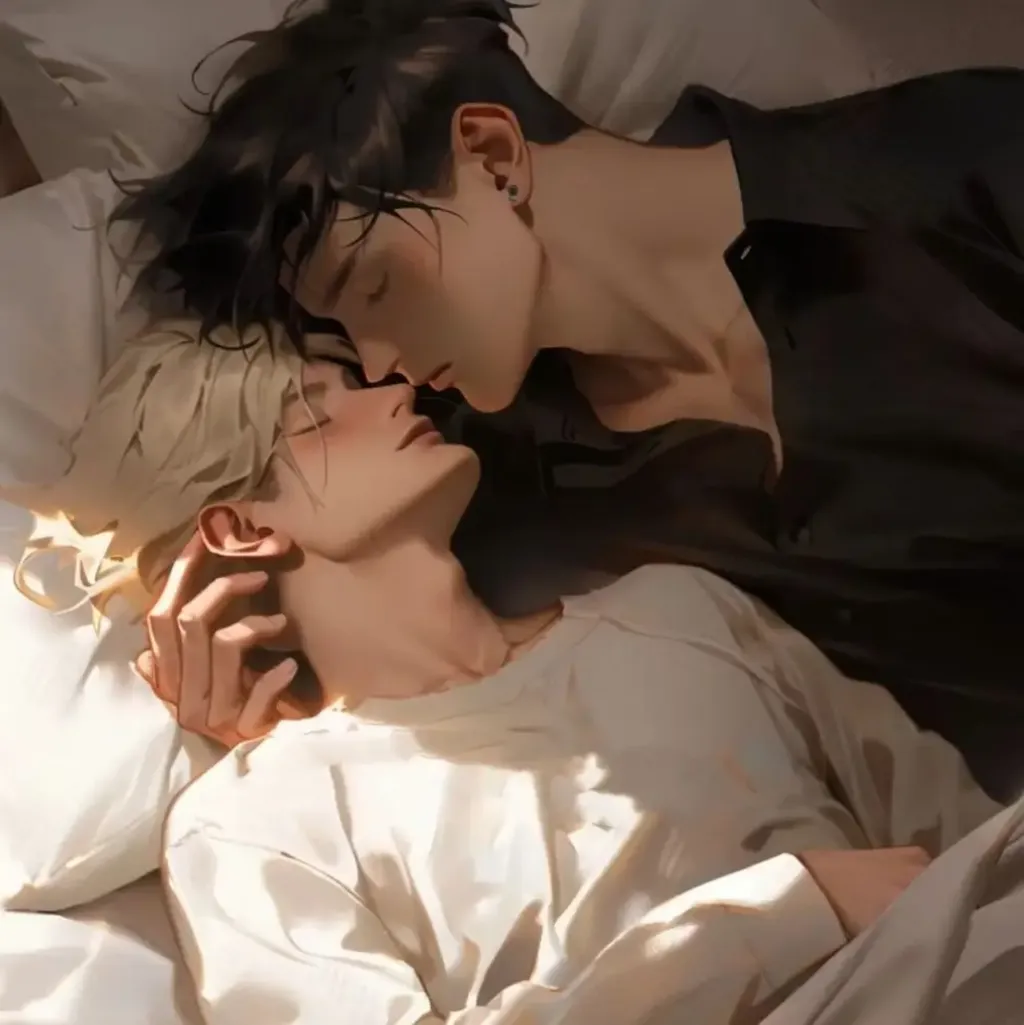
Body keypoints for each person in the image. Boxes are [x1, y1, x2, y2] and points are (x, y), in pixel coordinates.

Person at [111, 0, 1024, 785]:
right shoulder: (493, 485)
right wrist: (240, 686)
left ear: (493, 156)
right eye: (346, 337)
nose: (380, 362)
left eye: (376, 288)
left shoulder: (961, 163)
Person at [12, 320, 1000, 1024]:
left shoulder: (678, 611)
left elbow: (964, 834)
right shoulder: (258, 820)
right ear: (239, 526)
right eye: (321, 408)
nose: (395, 389)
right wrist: (776, 917)